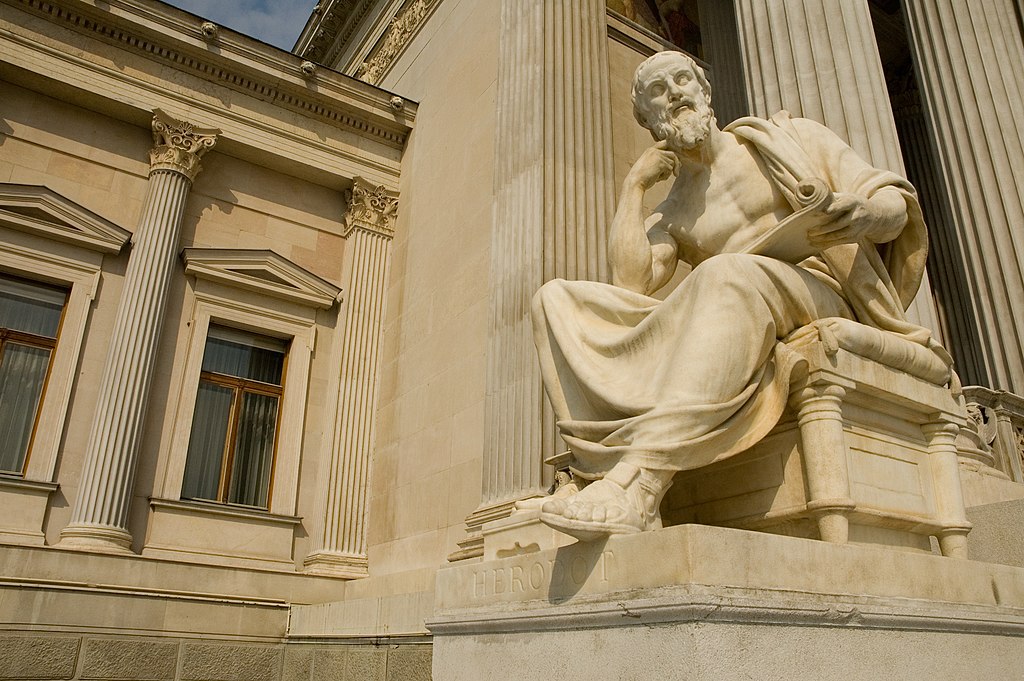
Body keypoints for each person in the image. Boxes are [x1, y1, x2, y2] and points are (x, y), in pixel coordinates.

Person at [527, 51, 943, 542]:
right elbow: (631, 284)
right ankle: (595, 469)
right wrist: (634, 187)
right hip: (741, 297)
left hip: (822, 288)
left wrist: (863, 214)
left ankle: (639, 485)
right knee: (554, 299)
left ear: (705, 91)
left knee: (726, 273)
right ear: (648, 119)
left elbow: (895, 205)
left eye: (683, 79)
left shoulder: (789, 141)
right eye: (659, 91)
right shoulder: (675, 211)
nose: (676, 93)